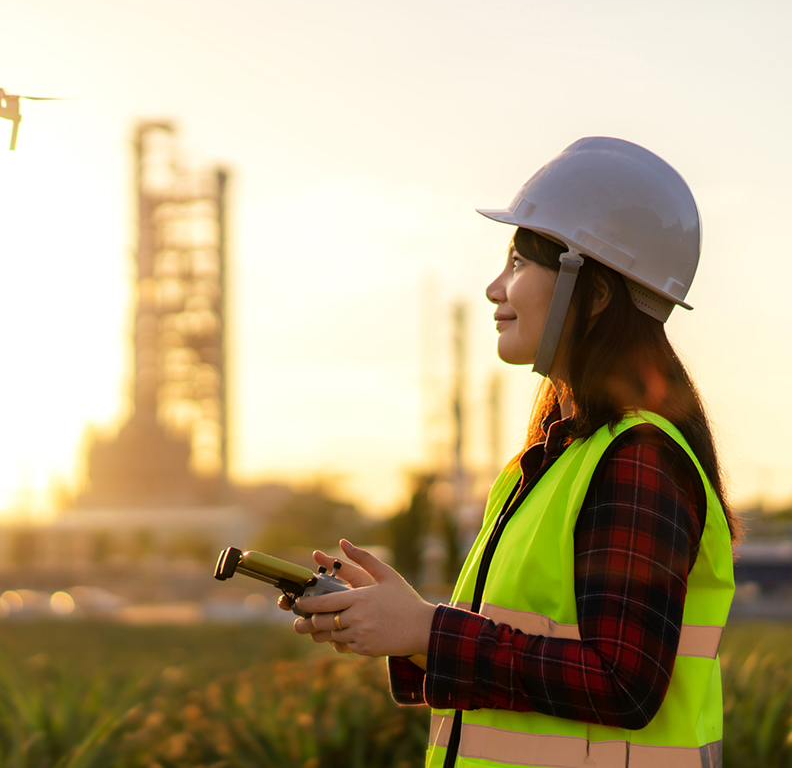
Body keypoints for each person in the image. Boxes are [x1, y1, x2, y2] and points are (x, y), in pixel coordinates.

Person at [289, 137, 739, 768]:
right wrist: (401, 625)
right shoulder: (554, 459)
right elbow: (530, 659)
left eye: (521, 264)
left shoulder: (639, 458)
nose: (495, 288)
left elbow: (623, 682)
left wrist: (428, 630)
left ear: (598, 291)